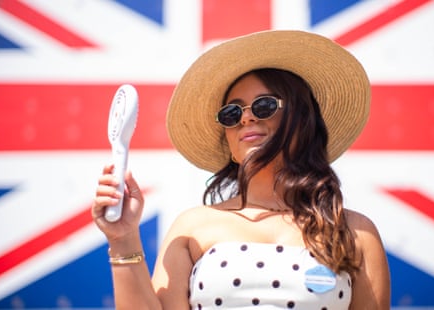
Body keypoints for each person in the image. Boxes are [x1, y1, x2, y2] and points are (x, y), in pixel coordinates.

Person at [92, 30, 390, 309]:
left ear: (303, 121)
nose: (246, 118)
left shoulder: (357, 233)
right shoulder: (192, 227)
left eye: (264, 106)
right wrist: (123, 239)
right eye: (232, 113)